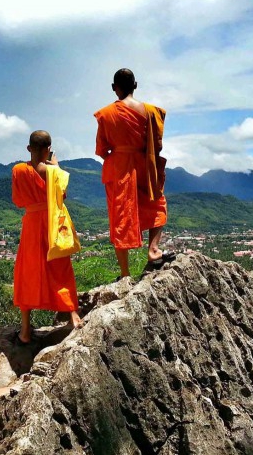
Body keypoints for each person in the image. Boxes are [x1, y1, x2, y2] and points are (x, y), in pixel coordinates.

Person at [94, 68, 174, 279]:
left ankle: (124, 273)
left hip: (119, 169)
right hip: (145, 165)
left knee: (120, 217)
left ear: (114, 88)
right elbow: (157, 145)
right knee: (156, 203)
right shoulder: (151, 112)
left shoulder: (106, 114)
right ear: (135, 85)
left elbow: (102, 150)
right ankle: (154, 250)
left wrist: (121, 154)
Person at [12, 130, 82, 344]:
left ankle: (25, 330)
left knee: (28, 270)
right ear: (49, 149)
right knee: (60, 268)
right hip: (53, 223)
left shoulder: (18, 170)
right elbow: (63, 196)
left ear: (28, 148)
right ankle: (73, 317)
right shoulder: (54, 172)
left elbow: (17, 200)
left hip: (32, 224)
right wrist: (56, 167)